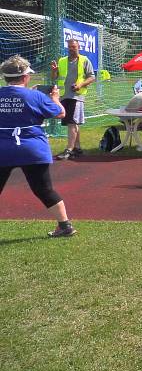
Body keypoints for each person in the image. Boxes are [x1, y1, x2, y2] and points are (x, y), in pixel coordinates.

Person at [0, 55, 76, 237]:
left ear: (5, 77)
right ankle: (65, 226)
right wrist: (55, 98)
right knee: (44, 189)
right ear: (25, 77)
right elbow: (61, 113)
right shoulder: (35, 96)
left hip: (3, 149)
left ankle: (65, 227)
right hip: (33, 149)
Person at [50, 38, 96, 160]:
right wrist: (54, 71)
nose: (71, 49)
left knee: (72, 122)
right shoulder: (62, 61)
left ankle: (69, 149)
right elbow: (55, 77)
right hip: (64, 95)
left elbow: (92, 77)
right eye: (69, 47)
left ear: (78, 47)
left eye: (73, 47)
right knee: (73, 122)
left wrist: (80, 85)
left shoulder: (84, 60)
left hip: (77, 95)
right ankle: (77, 147)